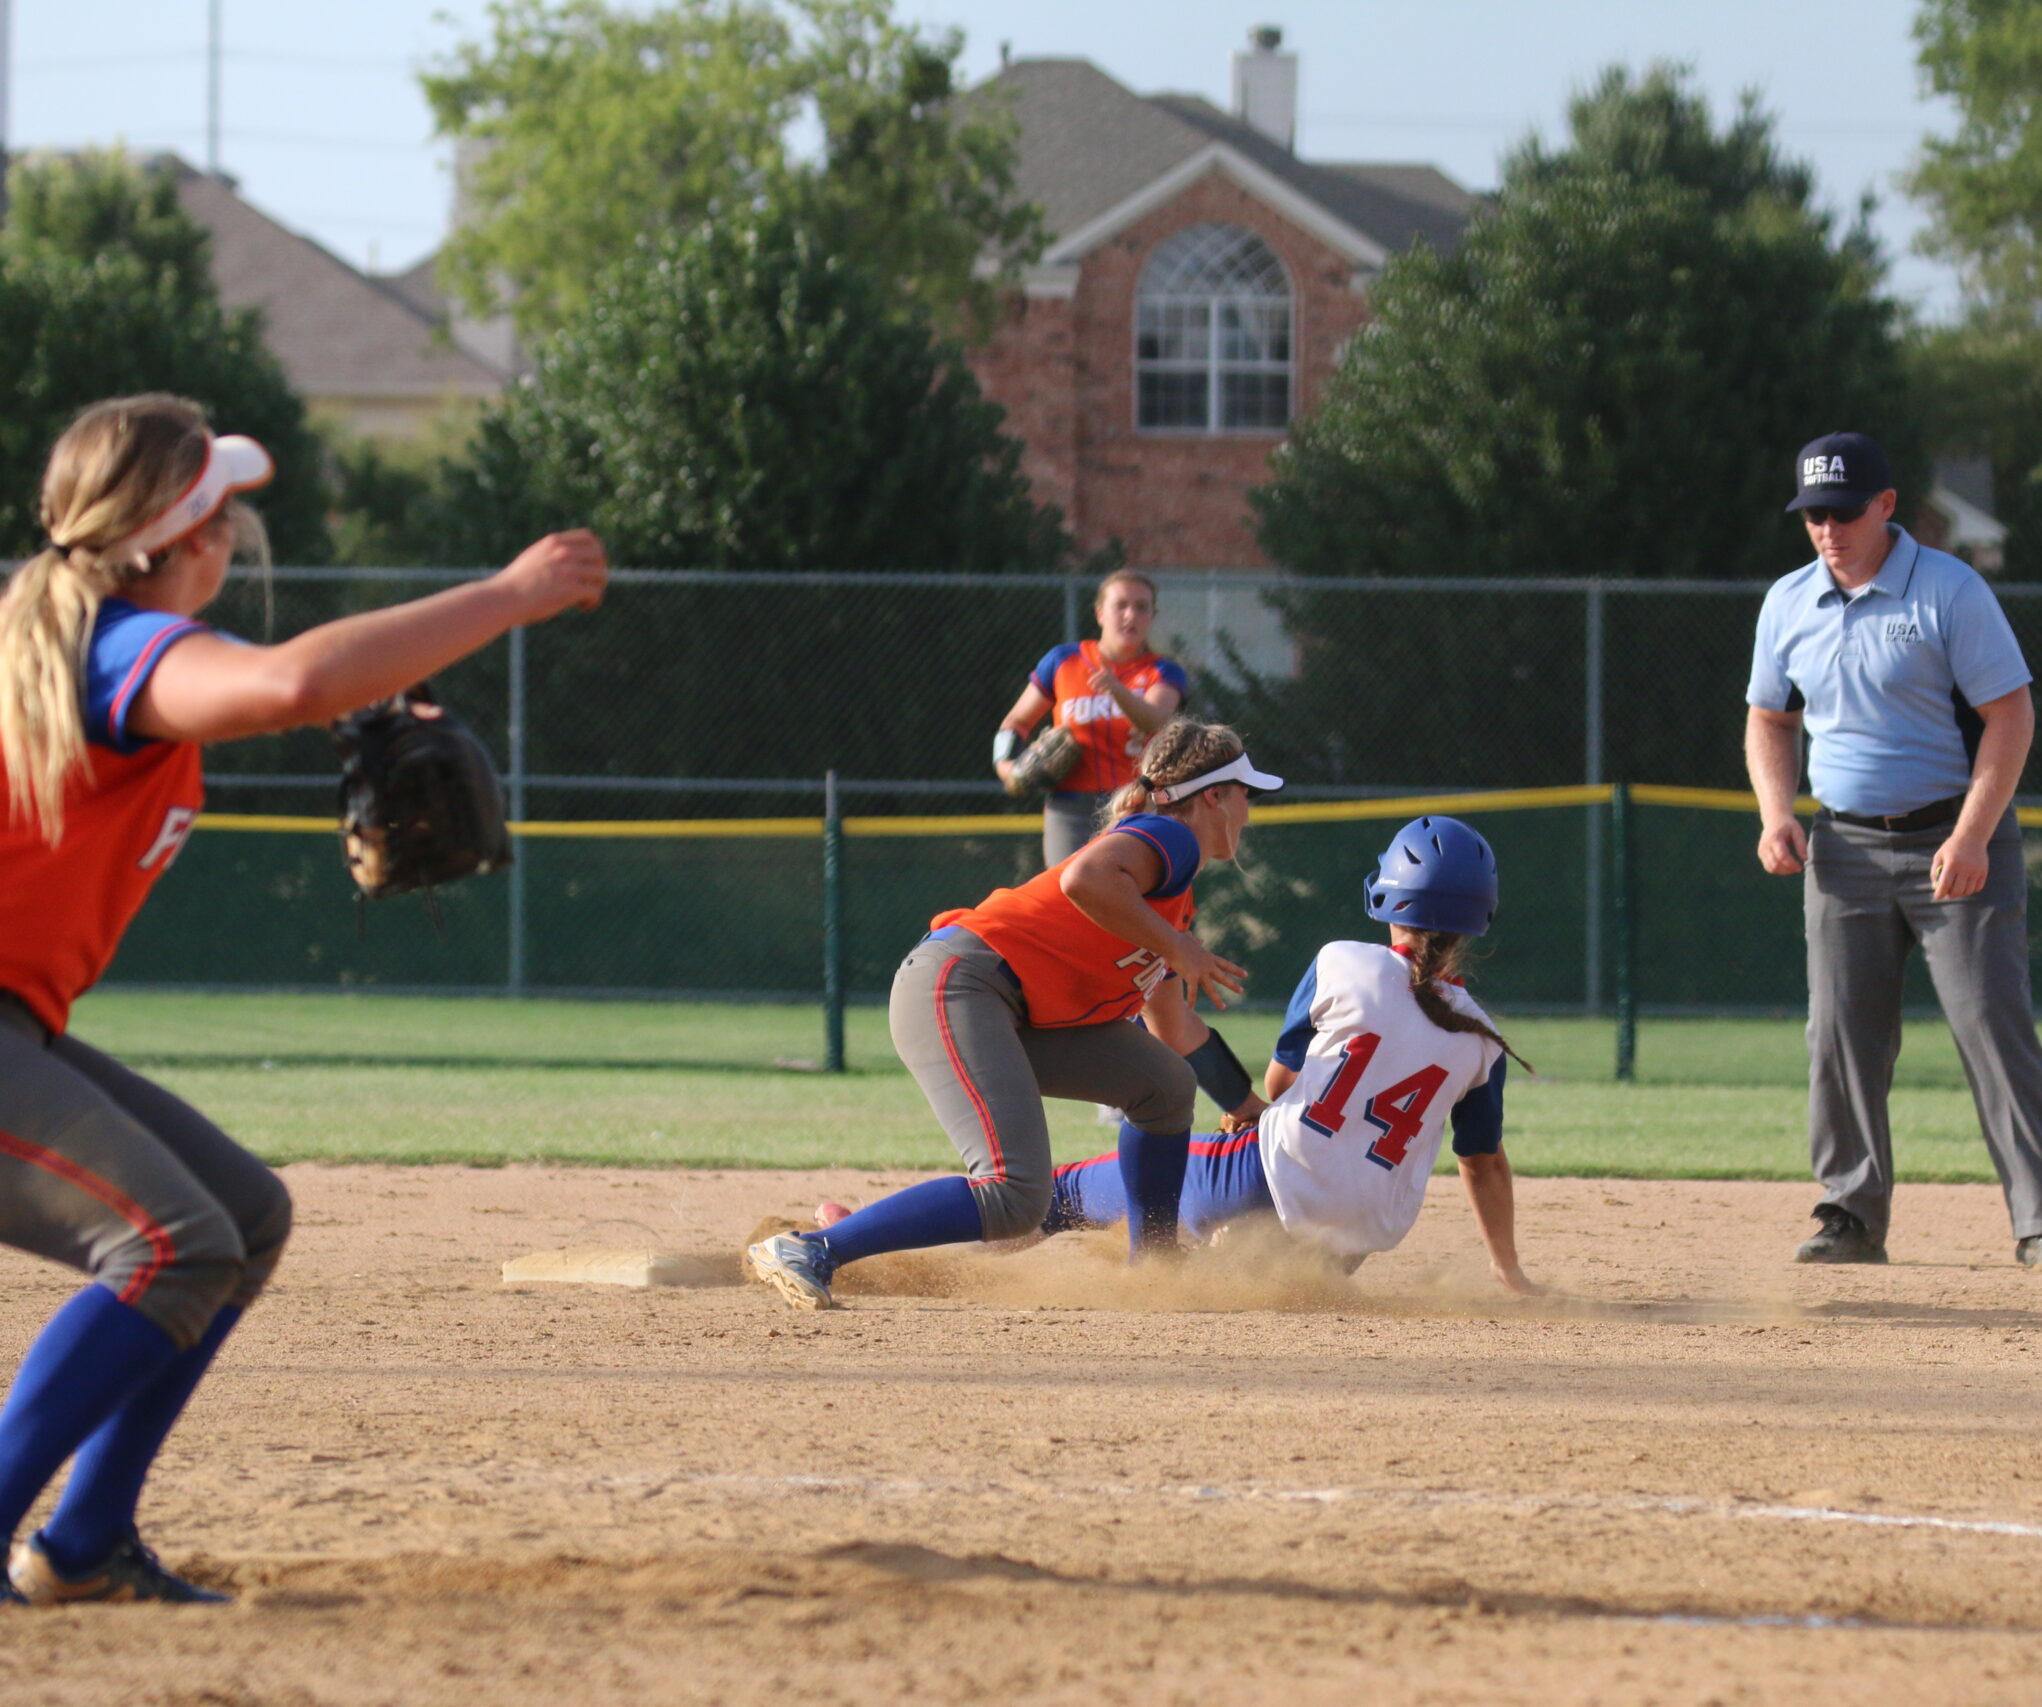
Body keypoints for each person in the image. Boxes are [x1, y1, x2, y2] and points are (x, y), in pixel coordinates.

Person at [0, 394, 608, 1605]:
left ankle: (85, 1546)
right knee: (170, 1242)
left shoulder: (97, 646)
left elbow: (280, 689)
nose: (233, 538)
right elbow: (285, 682)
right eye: (221, 513)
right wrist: (511, 592)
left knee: (241, 1217)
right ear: (177, 535)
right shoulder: (107, 644)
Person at [747, 719, 1281, 1310]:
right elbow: (1085, 877)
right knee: (1015, 1194)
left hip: (1011, 1010)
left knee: (1164, 1085)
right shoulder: (1168, 839)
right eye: (1244, 795)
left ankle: (1155, 1264)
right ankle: (814, 1249)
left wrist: (1246, 1105)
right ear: (1213, 795)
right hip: (959, 984)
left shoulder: (1168, 907)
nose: (1248, 814)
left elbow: (1175, 1030)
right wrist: (1182, 949)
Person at [1743, 431, 2042, 1272]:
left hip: (1955, 843)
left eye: (1845, 510)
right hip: (1845, 848)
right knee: (1841, 1035)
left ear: (1887, 506)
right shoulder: (1789, 602)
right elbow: (1770, 718)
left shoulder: (1948, 590)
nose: (1828, 528)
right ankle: (1850, 1216)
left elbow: (2012, 716)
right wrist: (1774, 812)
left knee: (1990, 1025)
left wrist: (1972, 834)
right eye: (1814, 513)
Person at [1042, 816, 1539, 1296]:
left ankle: (974, 1254)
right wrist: (1507, 1267)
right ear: (1480, 918)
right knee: (1223, 1278)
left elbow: (1279, 1086)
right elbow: (1484, 1164)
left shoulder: (1341, 961)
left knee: (1066, 1194)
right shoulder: (1483, 1039)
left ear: (1387, 894)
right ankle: (1214, 1252)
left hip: (1258, 1184)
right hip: (1346, 1246)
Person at [993, 569, 1191, 867]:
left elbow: (1155, 720)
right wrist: (1005, 767)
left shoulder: (1163, 672)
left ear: (1152, 615)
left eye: (1141, 607)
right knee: (1066, 897)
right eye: (1120, 605)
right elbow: (1015, 723)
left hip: (1136, 805)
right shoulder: (1064, 661)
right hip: (1069, 807)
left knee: (1126, 898)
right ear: (1100, 613)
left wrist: (1117, 690)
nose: (1130, 615)